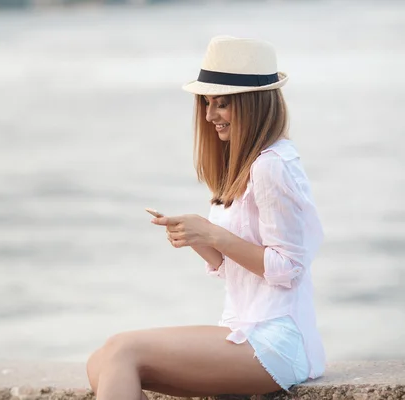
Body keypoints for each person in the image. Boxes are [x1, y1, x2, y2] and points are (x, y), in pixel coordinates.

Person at [85, 36, 326, 399]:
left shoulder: (272, 166)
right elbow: (239, 269)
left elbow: (289, 267)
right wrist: (196, 238)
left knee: (122, 351)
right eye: (207, 104)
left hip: (277, 339)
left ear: (253, 105)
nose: (210, 116)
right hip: (242, 326)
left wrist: (213, 234)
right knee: (100, 361)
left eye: (222, 104)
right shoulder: (242, 165)